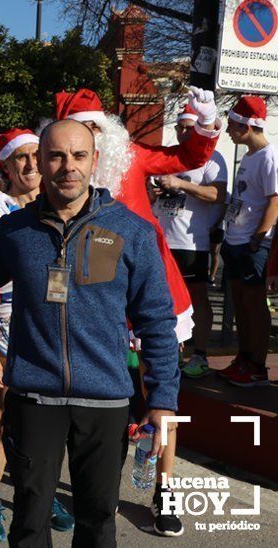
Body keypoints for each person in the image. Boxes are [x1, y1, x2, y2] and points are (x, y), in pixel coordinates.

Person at [0, 119, 179, 548]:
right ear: (41, 162)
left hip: (105, 401)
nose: (68, 167)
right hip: (34, 399)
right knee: (29, 520)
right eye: (57, 156)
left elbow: (156, 322)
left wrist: (161, 400)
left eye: (79, 156)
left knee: (98, 521)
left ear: (94, 161)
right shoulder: (15, 231)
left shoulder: (130, 230)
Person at [54, 87, 221, 342]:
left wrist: (207, 122)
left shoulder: (131, 155)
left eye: (95, 126)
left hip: (139, 265)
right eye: (83, 128)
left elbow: (187, 157)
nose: (92, 134)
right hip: (86, 271)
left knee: (153, 347)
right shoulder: (61, 169)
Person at [0, 128, 74, 541]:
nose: (31, 165)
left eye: (37, 156)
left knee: (46, 424)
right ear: (7, 167)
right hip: (4, 325)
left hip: (49, 326)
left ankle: (43, 493)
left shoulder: (64, 208)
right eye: (21, 158)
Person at [151, 105, 228, 378]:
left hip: (191, 243)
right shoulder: (169, 154)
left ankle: (200, 354)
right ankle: (172, 352)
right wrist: (154, 190)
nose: (183, 132)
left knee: (197, 299)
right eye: (179, 127)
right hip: (161, 239)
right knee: (162, 299)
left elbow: (217, 195)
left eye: (188, 127)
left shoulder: (212, 158)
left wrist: (181, 184)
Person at [219, 96, 277, 387]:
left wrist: (258, 239)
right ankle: (243, 358)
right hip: (235, 240)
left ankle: (257, 365)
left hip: (252, 244)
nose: (228, 131)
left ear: (247, 126)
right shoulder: (249, 157)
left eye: (232, 125)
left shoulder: (269, 157)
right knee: (240, 301)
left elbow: (275, 202)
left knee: (255, 304)